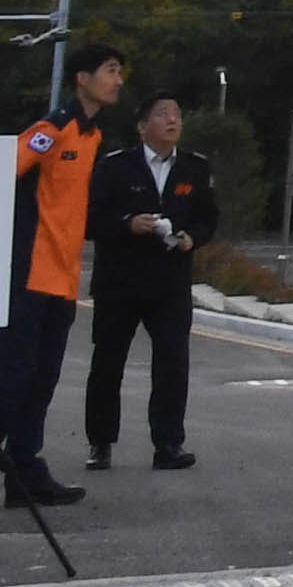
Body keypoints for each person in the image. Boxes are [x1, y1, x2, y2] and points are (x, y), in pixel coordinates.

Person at [0, 40, 128, 512]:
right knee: (15, 378)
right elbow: (2, 171)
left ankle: (25, 472)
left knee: (41, 379)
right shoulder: (55, 128)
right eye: (110, 70)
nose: (118, 79)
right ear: (82, 79)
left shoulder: (92, 137)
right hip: (29, 271)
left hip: (63, 277)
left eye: (119, 72)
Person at [78, 87, 214, 474]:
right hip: (119, 282)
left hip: (169, 282)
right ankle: (100, 442)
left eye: (176, 114)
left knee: (172, 363)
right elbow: (89, 219)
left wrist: (193, 237)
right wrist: (127, 224)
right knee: (108, 363)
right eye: (162, 113)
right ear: (142, 126)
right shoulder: (114, 166)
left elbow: (207, 216)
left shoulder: (194, 167)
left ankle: (168, 443)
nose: (172, 120)